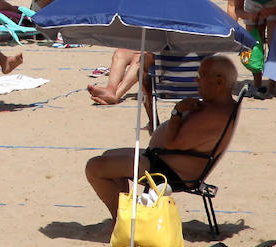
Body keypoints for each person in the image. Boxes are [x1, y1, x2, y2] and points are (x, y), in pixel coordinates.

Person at [85, 55, 239, 223]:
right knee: (108, 156)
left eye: (201, 76)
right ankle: (124, 215)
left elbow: (171, 143)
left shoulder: (213, 115)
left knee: (94, 167)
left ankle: (124, 221)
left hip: (169, 172)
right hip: (165, 161)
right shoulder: (219, 106)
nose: (196, 79)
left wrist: (177, 112)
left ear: (219, 82)